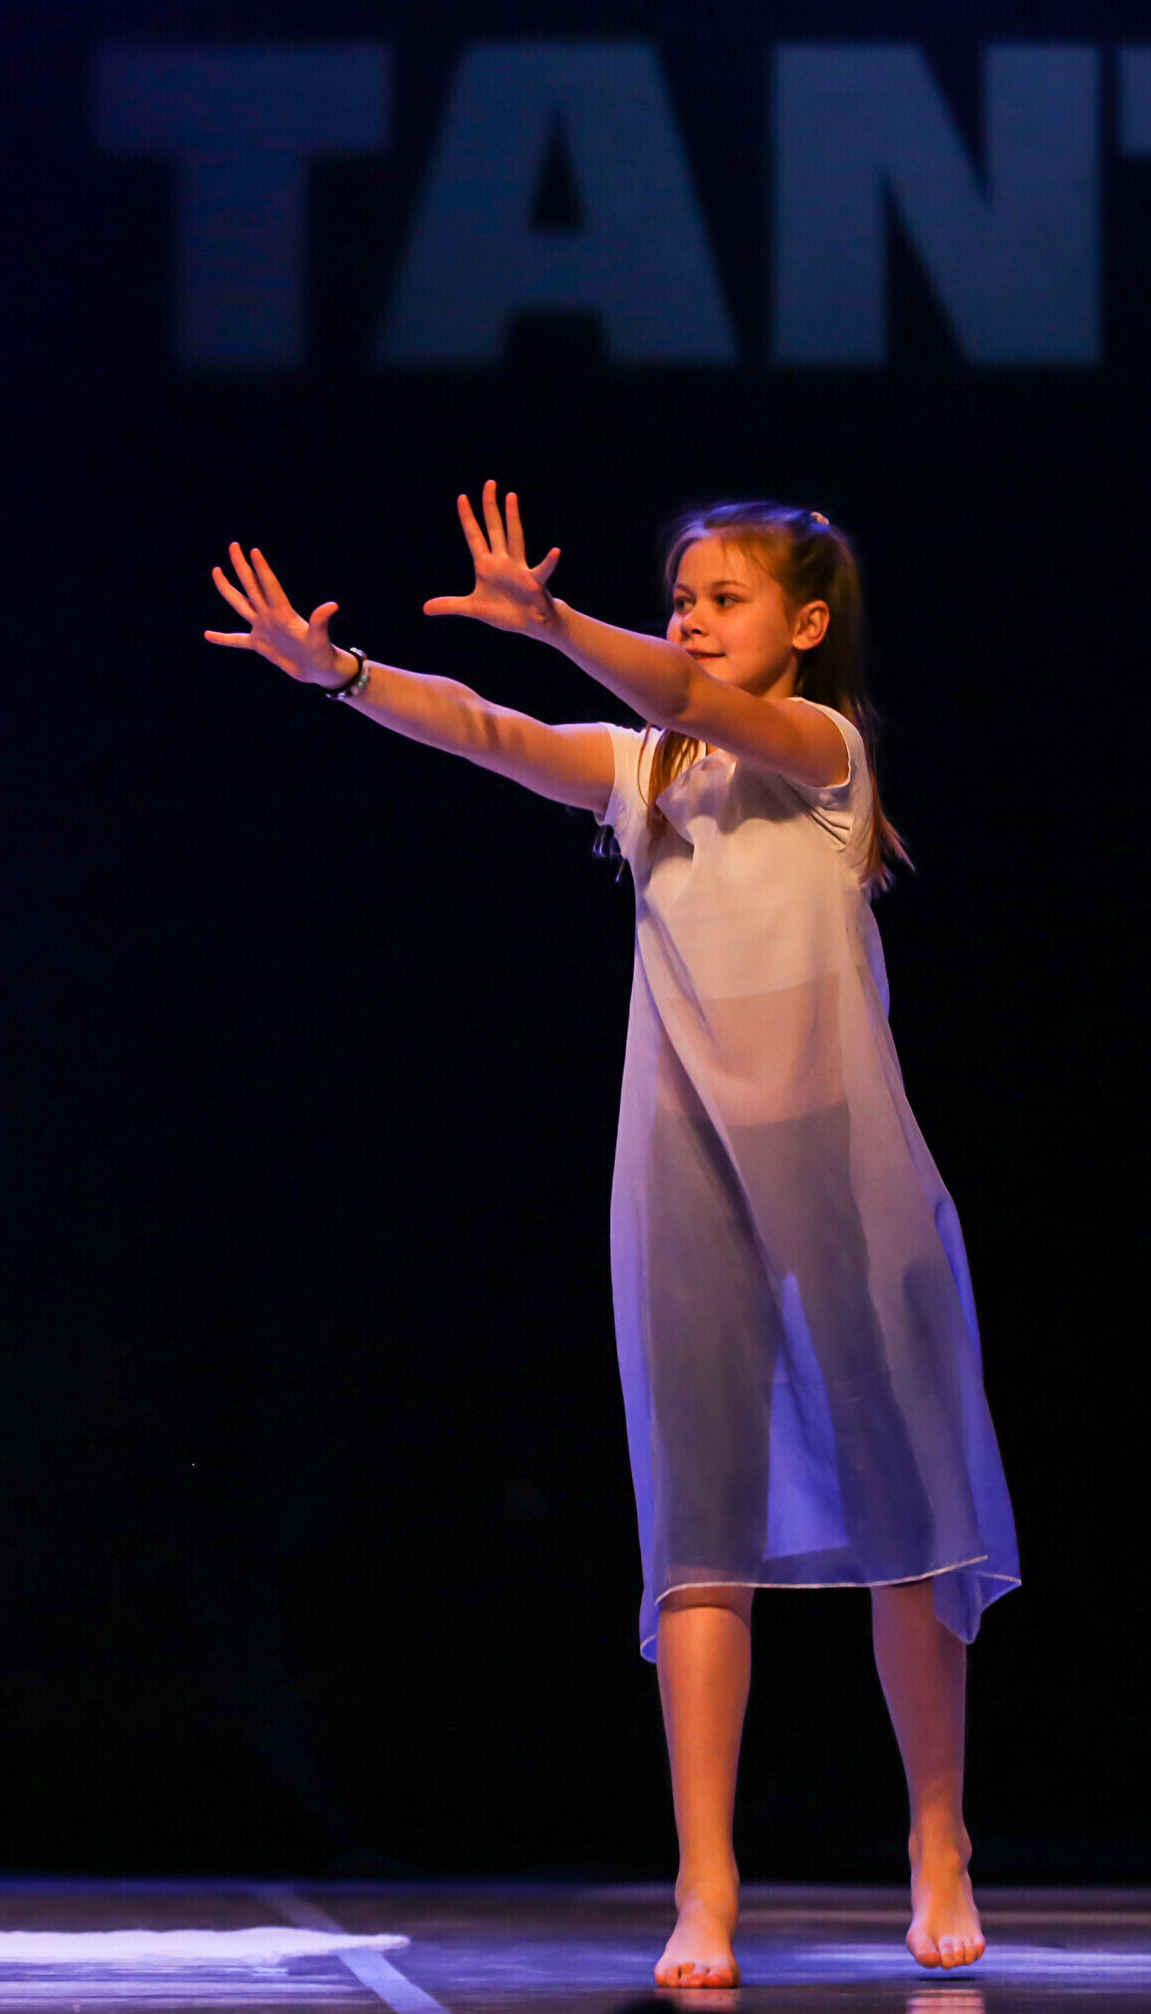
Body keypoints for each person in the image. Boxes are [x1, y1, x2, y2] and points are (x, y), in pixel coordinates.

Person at [204, 483, 1016, 1989]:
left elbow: (691, 699)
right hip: (691, 1174)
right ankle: (705, 1881)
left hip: (844, 1180)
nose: (693, 617)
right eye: (683, 595)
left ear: (806, 625)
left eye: (723, 597)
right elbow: (496, 732)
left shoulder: (822, 755)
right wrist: (343, 675)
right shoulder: (646, 776)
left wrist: (553, 619)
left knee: (907, 1517)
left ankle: (937, 1834)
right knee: (699, 1530)